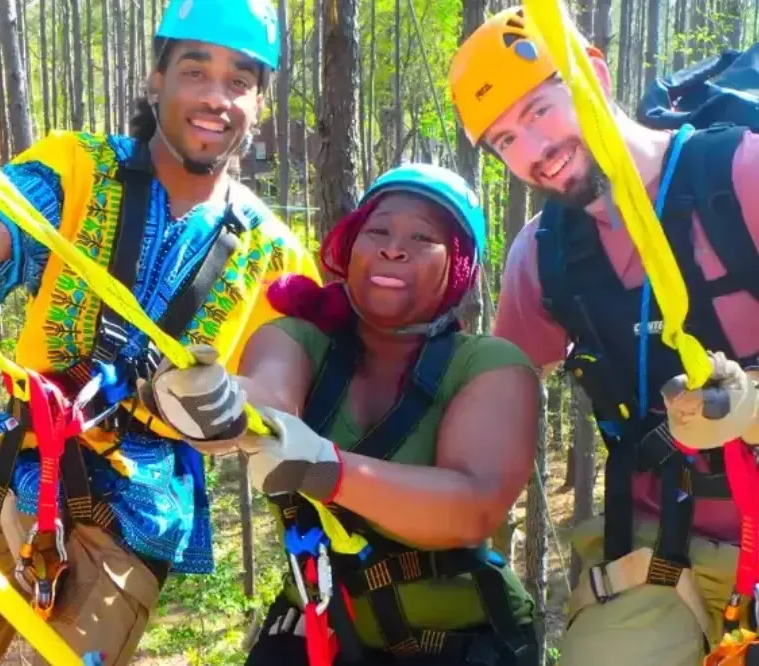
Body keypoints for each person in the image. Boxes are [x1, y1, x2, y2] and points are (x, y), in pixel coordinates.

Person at [0, 0, 320, 664]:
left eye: (239, 80)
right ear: (156, 79)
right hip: (8, 465)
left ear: (260, 104)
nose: (216, 97)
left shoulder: (273, 255)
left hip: (133, 514)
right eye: (196, 71)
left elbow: (279, 385)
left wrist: (231, 401)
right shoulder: (76, 168)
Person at [448, 5, 759, 666]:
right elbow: (492, 398)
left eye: (538, 110)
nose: (533, 151)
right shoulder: (545, 257)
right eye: (504, 140)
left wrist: (752, 407)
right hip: (659, 546)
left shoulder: (740, 178)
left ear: (592, 69)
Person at [148, 163, 543, 665]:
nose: (393, 247)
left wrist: (329, 470)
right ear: (350, 246)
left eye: (423, 238)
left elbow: (473, 508)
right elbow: (265, 396)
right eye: (377, 230)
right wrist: (215, 404)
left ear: (458, 267)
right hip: (315, 633)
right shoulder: (297, 337)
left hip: (461, 639)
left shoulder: (489, 365)